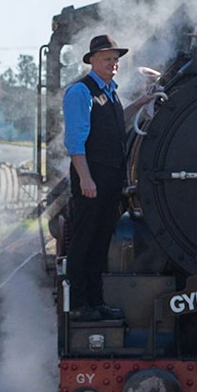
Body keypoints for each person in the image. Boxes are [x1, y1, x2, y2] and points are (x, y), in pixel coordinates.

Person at [61, 34, 129, 322]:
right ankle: (79, 303)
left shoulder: (111, 92)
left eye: (115, 59)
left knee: (101, 242)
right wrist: (86, 179)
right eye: (106, 59)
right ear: (92, 61)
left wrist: (143, 102)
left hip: (110, 177)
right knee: (84, 240)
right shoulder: (81, 92)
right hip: (92, 177)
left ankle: (96, 301)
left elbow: (117, 124)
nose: (112, 64)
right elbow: (75, 141)